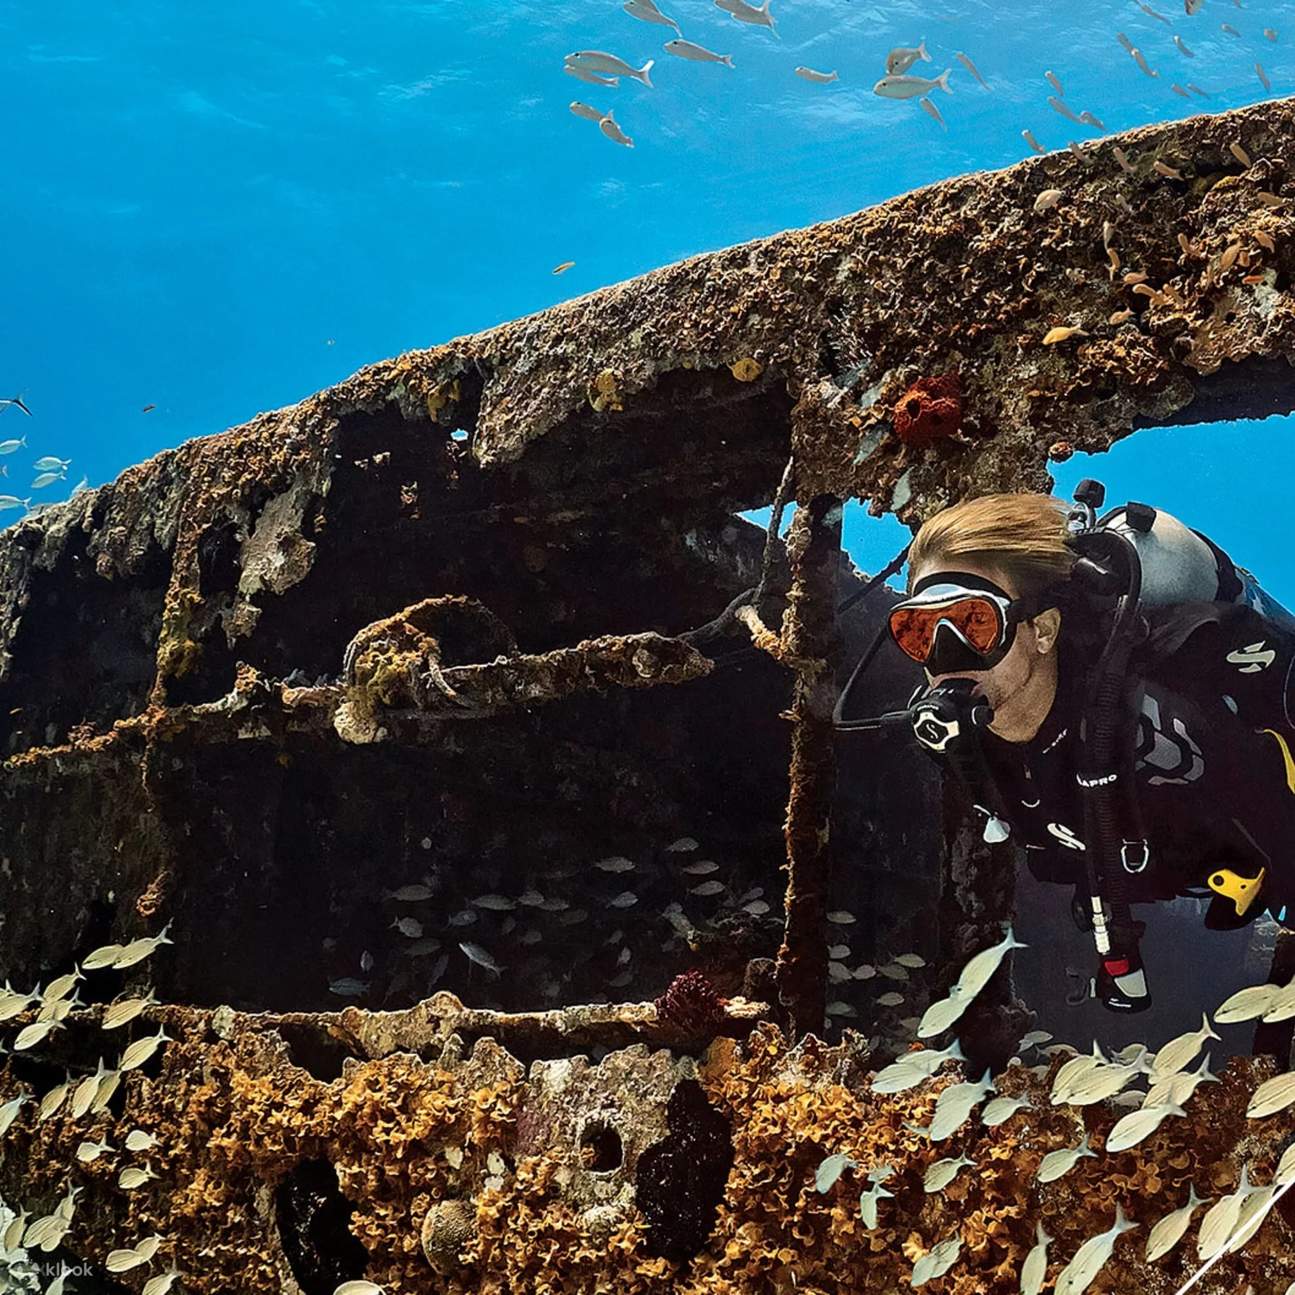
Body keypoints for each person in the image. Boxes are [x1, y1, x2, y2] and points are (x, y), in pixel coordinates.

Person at [881, 491, 1295, 1007]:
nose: (945, 658)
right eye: (918, 631)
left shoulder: (1155, 718)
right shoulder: (953, 740)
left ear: (1042, 630)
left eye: (974, 624)